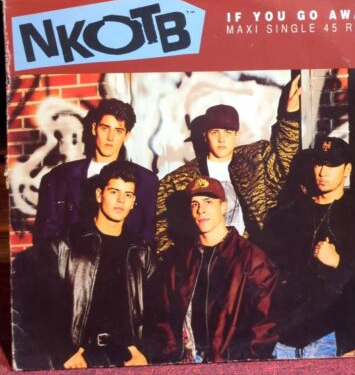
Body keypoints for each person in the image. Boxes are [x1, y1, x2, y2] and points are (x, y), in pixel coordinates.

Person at [12, 161, 156, 369]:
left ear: (134, 202)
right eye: (114, 192)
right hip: (79, 357)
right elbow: (35, 304)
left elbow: (157, 311)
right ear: (99, 195)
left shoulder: (142, 251)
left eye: (128, 195)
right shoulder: (65, 244)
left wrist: (142, 351)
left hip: (127, 358)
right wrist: (65, 351)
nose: (120, 201)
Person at [156, 75, 302, 256]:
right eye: (215, 132)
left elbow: (287, 158)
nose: (221, 139)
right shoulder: (180, 180)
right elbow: (162, 230)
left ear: (236, 136)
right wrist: (185, 263)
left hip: (253, 253)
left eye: (228, 132)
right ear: (205, 136)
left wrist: (289, 116)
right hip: (207, 258)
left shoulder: (256, 160)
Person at [264, 137, 355, 358]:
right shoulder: (290, 214)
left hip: (329, 341)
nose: (323, 172)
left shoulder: (354, 217)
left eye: (332, 165)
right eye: (319, 164)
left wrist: (337, 262)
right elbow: (270, 273)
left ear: (347, 169)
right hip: (284, 340)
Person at [150, 176, 278, 363]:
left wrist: (245, 365)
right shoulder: (178, 259)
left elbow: (264, 325)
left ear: (223, 207)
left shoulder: (252, 259)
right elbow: (164, 316)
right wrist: (172, 357)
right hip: (186, 363)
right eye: (194, 204)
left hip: (231, 365)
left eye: (208, 202)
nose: (201, 209)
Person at [34, 98, 158, 244]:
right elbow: (47, 236)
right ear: (94, 128)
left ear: (126, 135)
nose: (110, 137)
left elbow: (147, 236)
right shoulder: (59, 177)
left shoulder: (145, 181)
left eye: (118, 131)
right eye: (105, 128)